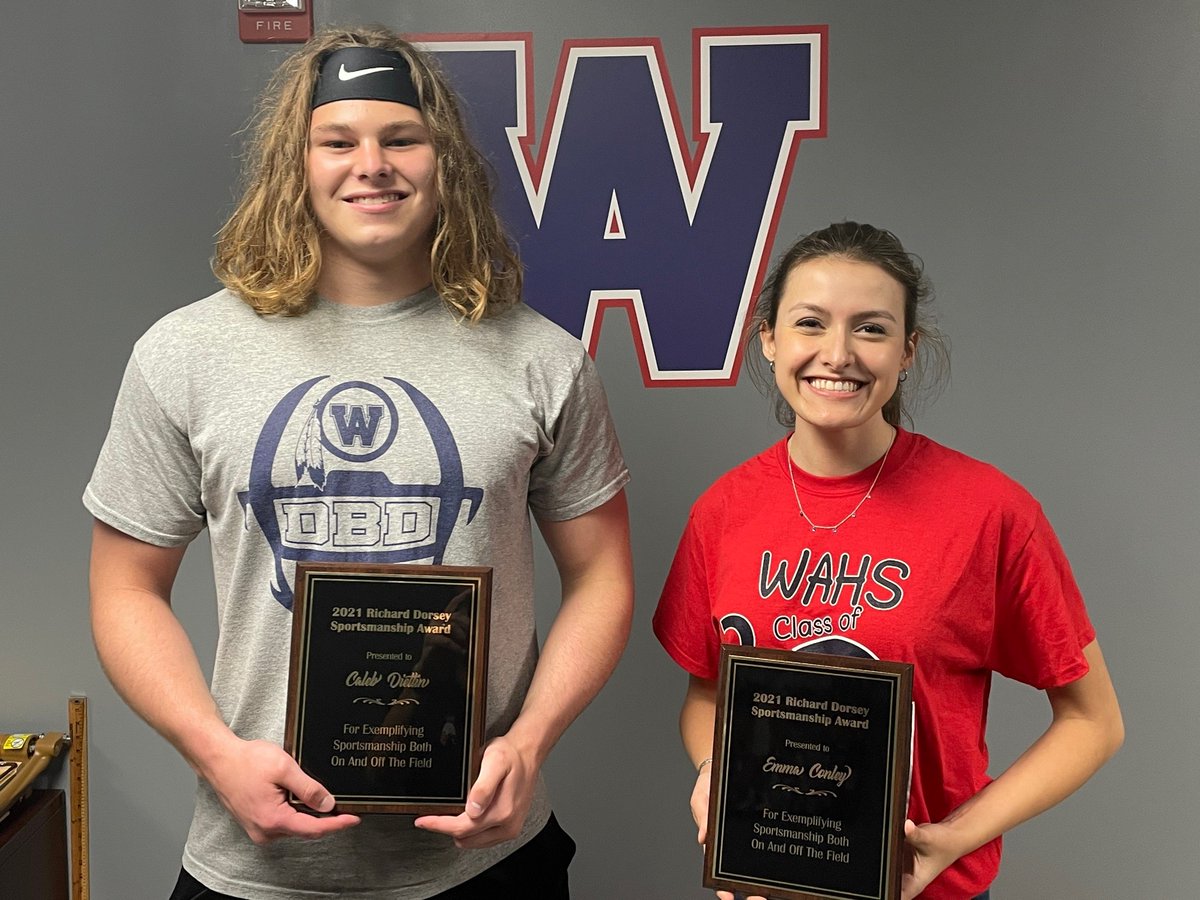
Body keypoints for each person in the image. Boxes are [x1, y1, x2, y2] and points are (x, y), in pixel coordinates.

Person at [85, 26, 633, 900]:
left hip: (481, 862)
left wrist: (528, 744)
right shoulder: (183, 354)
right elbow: (123, 587)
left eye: (401, 139)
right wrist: (215, 752)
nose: (370, 164)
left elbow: (603, 578)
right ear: (293, 167)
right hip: (253, 864)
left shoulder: (541, 360)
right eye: (337, 142)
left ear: (442, 158)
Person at [652, 221, 1123, 900]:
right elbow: (704, 693)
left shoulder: (989, 511)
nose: (836, 353)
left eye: (870, 329)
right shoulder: (721, 511)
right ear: (769, 340)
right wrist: (713, 782)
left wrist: (952, 838)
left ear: (907, 351)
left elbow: (1094, 721)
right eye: (810, 323)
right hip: (770, 885)